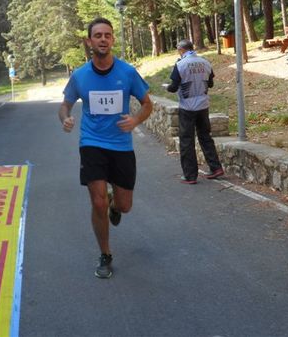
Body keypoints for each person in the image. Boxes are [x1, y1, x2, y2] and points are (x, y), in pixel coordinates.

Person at [59, 17, 153, 279]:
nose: (102, 39)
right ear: (89, 41)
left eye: (107, 35)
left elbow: (147, 104)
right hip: (92, 143)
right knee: (97, 202)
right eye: (97, 35)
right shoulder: (80, 76)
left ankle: (115, 203)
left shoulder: (127, 73)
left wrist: (135, 120)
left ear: (112, 40)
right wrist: (65, 117)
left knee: (125, 207)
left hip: (121, 145)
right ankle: (105, 254)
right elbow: (65, 104)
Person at [165, 39, 224, 184]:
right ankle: (216, 168)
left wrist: (166, 87)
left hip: (187, 107)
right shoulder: (205, 62)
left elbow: (173, 87)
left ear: (181, 49)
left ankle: (190, 176)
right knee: (205, 137)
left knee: (187, 140)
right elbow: (210, 83)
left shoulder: (180, 64)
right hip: (203, 105)